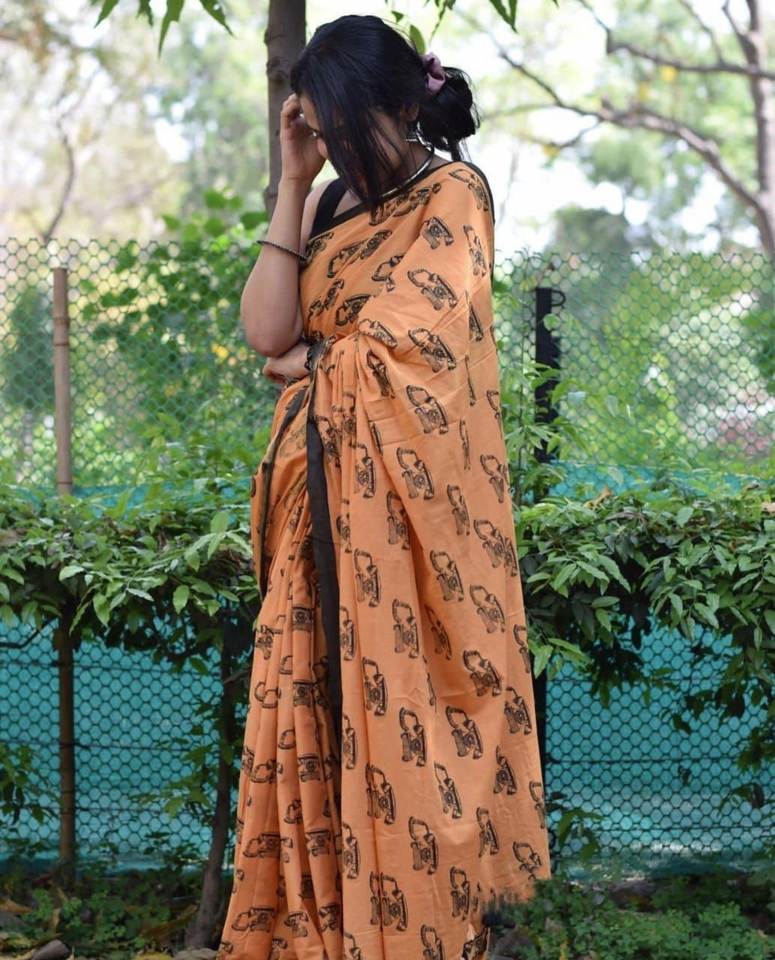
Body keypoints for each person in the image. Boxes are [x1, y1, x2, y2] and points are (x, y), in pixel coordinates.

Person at [217, 13, 551, 960]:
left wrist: (313, 364)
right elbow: (265, 332)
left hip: (410, 517)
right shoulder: (324, 202)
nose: (337, 147)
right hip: (316, 503)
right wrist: (293, 182)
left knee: (414, 711)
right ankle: (320, 931)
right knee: (306, 699)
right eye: (322, 129)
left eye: (347, 125)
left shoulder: (454, 193)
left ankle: (418, 935)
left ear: (403, 106)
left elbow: (416, 348)